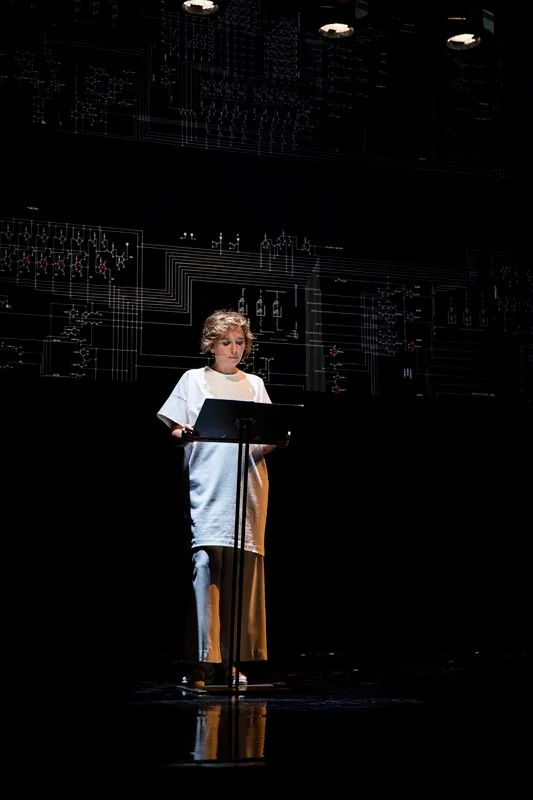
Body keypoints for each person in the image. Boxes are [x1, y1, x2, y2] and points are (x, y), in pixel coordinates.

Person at [157, 309, 287, 688]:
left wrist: (276, 440)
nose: (234, 349)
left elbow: (263, 437)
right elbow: (175, 430)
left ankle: (229, 660)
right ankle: (202, 661)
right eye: (226, 342)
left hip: (246, 488)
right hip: (207, 484)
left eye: (240, 342)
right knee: (204, 567)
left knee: (239, 575)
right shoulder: (193, 380)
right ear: (211, 344)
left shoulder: (254, 385)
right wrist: (185, 434)